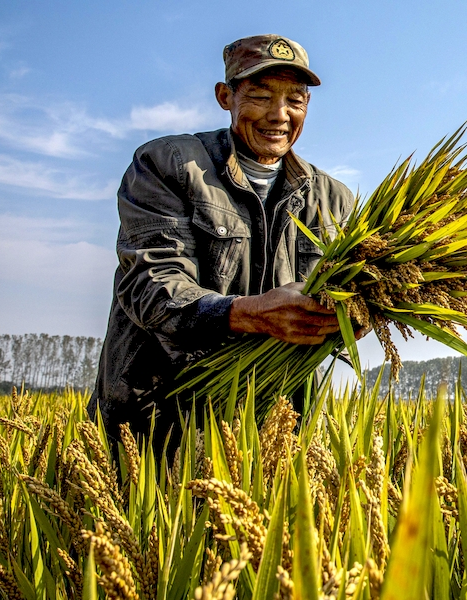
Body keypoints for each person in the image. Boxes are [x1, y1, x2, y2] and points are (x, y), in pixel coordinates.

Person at [88, 34, 355, 449]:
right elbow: (152, 284)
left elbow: (341, 298)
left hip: (273, 430)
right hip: (159, 421)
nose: (279, 115)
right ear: (225, 96)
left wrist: (358, 313)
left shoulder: (334, 199)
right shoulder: (169, 165)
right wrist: (246, 314)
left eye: (295, 100)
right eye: (261, 96)